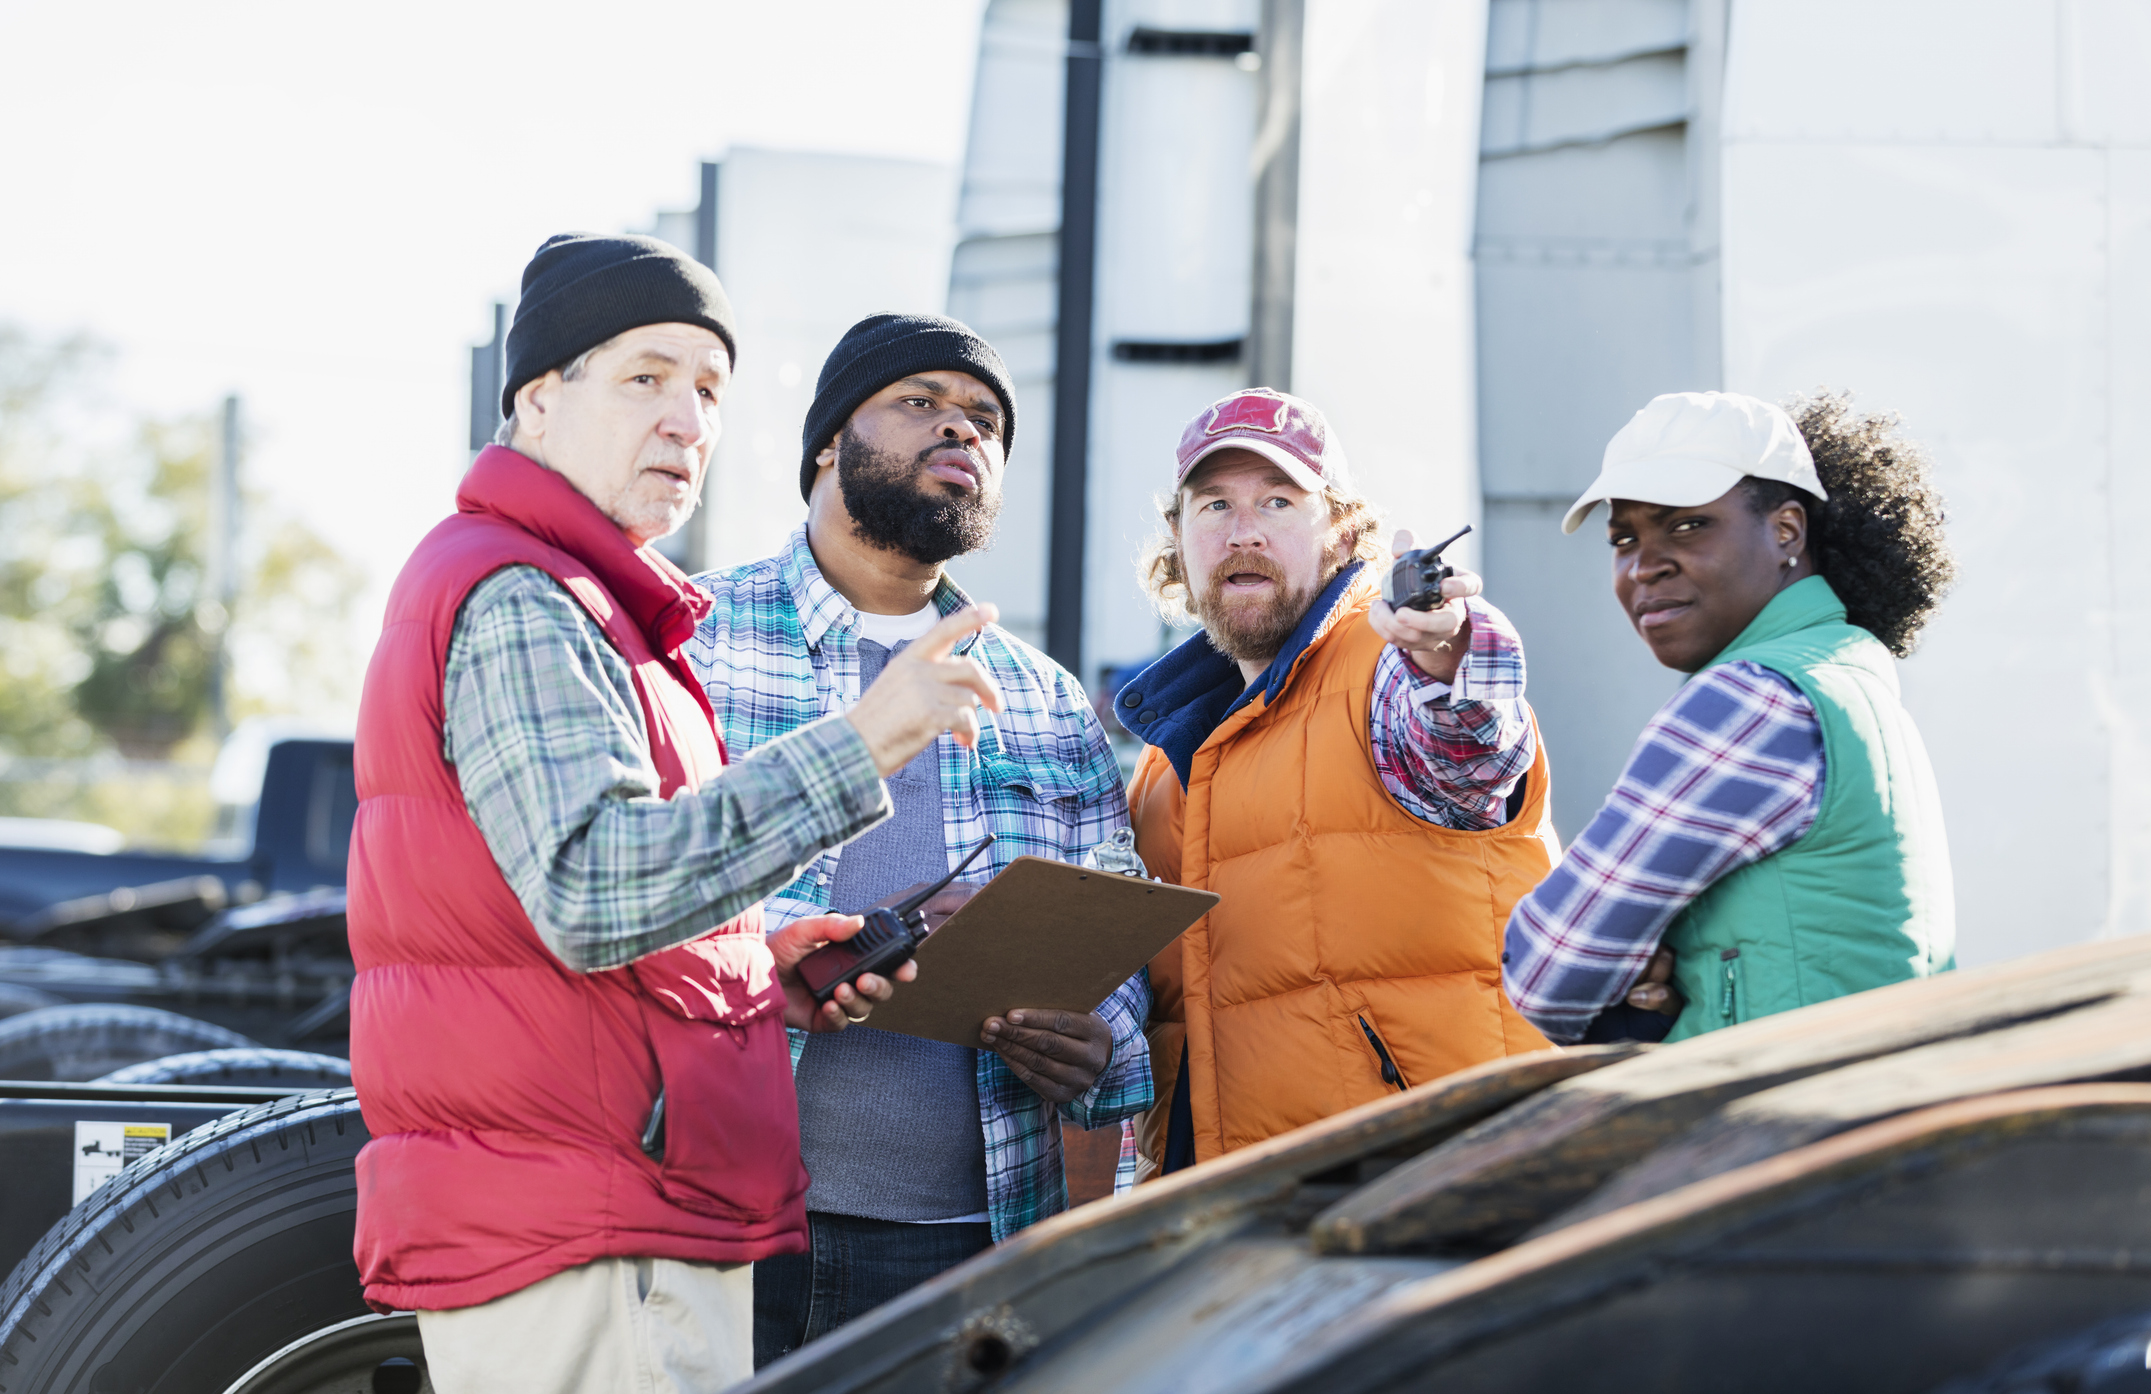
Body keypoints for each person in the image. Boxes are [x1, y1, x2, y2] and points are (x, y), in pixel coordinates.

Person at [347, 236, 1005, 1394]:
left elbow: (582, 902)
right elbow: (598, 889)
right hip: (591, 1226)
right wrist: (870, 737)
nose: (688, 420)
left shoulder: (587, 602)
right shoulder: (519, 593)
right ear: (540, 400)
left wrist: (754, 962)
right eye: (646, 377)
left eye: (708, 389)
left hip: (615, 1219)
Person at [686, 313, 1154, 1367]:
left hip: (964, 1247)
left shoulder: (1045, 699)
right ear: (826, 444)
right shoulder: (690, 640)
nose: (962, 427)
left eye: (986, 419)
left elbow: (1114, 945)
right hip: (718, 1232)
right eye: (921, 401)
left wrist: (1096, 1047)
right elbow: (642, 884)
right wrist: (823, 940)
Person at [1115, 387, 1558, 1178]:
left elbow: (1471, 746)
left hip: (1426, 1194)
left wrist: (1452, 651)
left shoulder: (1385, 668)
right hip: (1231, 1210)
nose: (1242, 531)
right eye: (1213, 505)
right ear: (1177, 539)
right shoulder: (1163, 762)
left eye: (1278, 501)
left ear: (1341, 532)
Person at [1503, 390, 1957, 1045]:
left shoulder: (1754, 700)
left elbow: (1547, 970)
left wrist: (1639, 995)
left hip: (1779, 1120)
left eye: (1686, 524)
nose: (1643, 564)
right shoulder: (1843, 675)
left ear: (1786, 532)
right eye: (1622, 537)